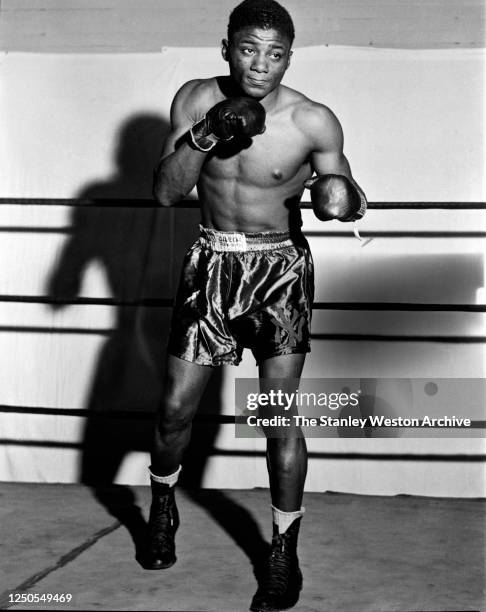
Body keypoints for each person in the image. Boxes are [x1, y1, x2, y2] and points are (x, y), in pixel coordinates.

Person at [145, 1, 366, 610]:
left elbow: (346, 200)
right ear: (227, 49)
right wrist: (208, 131)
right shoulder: (194, 99)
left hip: (279, 273)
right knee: (172, 407)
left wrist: (338, 197)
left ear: (288, 57)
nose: (260, 65)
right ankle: (163, 505)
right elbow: (166, 193)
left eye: (274, 53)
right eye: (248, 49)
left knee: (276, 414)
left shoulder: (312, 120)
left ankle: (283, 553)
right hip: (211, 264)